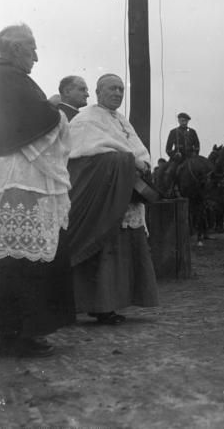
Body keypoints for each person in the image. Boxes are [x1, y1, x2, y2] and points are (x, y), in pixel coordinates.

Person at [0, 23, 74, 357]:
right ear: (15, 48)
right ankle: (13, 335)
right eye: (31, 47)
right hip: (15, 181)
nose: (36, 53)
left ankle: (24, 331)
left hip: (22, 179)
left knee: (23, 260)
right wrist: (56, 110)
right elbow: (30, 121)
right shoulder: (4, 79)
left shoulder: (7, 78)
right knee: (15, 260)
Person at [62, 73, 159, 325]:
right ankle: (100, 306)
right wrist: (129, 162)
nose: (117, 93)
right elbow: (84, 160)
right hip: (103, 202)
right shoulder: (85, 121)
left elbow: (136, 148)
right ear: (98, 92)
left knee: (123, 252)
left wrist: (143, 163)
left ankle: (114, 304)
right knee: (104, 253)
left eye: (120, 89)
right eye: (111, 89)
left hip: (125, 195)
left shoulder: (122, 120)